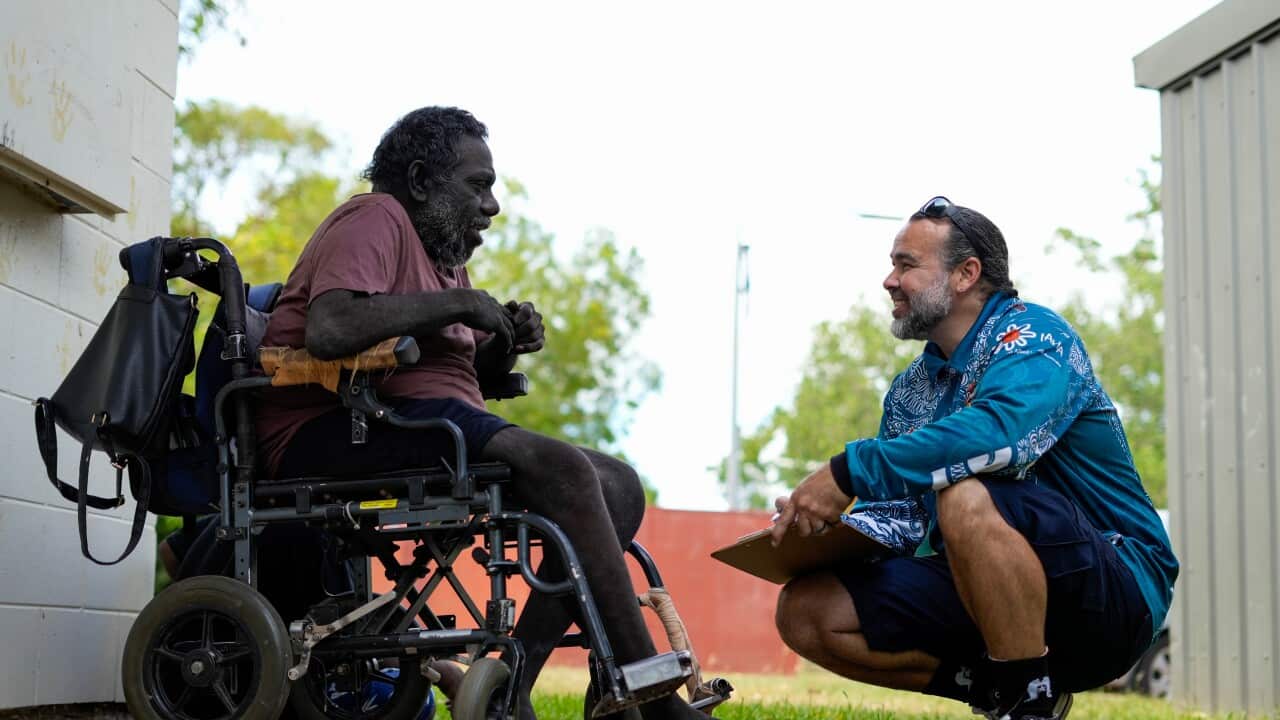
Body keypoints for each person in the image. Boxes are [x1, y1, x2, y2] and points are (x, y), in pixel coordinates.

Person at [254, 106, 708, 720]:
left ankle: (512, 687)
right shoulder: (375, 218)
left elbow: (456, 375)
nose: (491, 205)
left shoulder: (439, 255)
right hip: (339, 427)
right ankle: (651, 694)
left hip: (419, 420)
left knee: (618, 484)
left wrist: (501, 343)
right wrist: (459, 302)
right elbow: (332, 328)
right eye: (478, 185)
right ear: (419, 181)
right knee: (568, 470)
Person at [769, 196, 1178, 720]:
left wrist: (848, 471)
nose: (889, 281)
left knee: (965, 491)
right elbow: (900, 519)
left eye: (906, 264)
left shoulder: (1036, 337)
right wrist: (827, 533)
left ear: (966, 274)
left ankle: (1025, 706)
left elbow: (1000, 436)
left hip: (1116, 590)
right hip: (982, 590)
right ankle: (1010, 691)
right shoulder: (910, 389)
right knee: (806, 612)